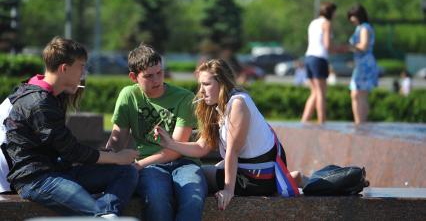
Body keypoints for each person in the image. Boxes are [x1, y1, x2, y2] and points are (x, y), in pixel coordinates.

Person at [2, 37, 139, 218]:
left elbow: (66, 148)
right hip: (37, 179)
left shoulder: (51, 94)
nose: (84, 73)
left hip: (58, 170)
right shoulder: (39, 103)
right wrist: (116, 157)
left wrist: (113, 159)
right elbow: (71, 151)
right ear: (64, 68)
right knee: (98, 210)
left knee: (126, 171)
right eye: (81, 66)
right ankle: (104, 215)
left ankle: (106, 213)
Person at [154, 59, 303, 211]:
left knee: (200, 174)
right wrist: (170, 143)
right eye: (200, 85)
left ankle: (279, 181)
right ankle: (288, 178)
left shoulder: (237, 103)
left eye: (206, 84)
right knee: (205, 170)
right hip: (251, 166)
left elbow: (233, 150)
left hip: (257, 177)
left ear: (222, 83)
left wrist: (228, 190)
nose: (201, 91)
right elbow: (201, 147)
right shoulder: (216, 106)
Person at [105, 44, 208, 221]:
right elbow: (116, 142)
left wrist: (137, 166)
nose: (157, 80)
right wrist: (103, 162)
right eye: (149, 76)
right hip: (150, 167)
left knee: (193, 198)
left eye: (160, 73)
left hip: (184, 162)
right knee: (156, 199)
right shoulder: (128, 96)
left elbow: (175, 150)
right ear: (133, 77)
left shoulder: (184, 98)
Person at [301, 2, 337, 124]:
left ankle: (304, 121)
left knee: (315, 92)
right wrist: (341, 48)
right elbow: (327, 45)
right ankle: (322, 122)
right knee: (321, 92)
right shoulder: (327, 23)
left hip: (309, 57)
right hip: (319, 58)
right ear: (331, 12)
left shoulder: (313, 23)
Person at [347, 4, 378, 125]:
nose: (350, 20)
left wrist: (348, 48)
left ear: (358, 15)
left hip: (365, 64)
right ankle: (359, 122)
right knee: (356, 94)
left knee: (360, 94)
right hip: (360, 64)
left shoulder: (364, 28)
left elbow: (364, 46)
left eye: (352, 16)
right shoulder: (360, 28)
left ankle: (361, 123)